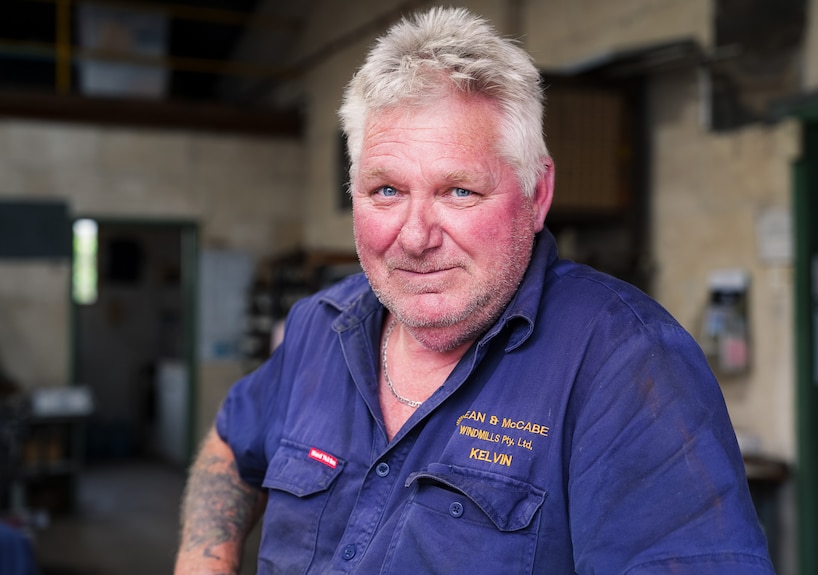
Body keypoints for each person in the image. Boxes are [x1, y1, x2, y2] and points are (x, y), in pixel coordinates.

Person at [174, 7, 776, 575]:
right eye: (386, 190)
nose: (414, 236)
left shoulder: (628, 366)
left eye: (458, 191)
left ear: (537, 195)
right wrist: (205, 559)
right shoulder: (319, 326)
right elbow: (231, 446)